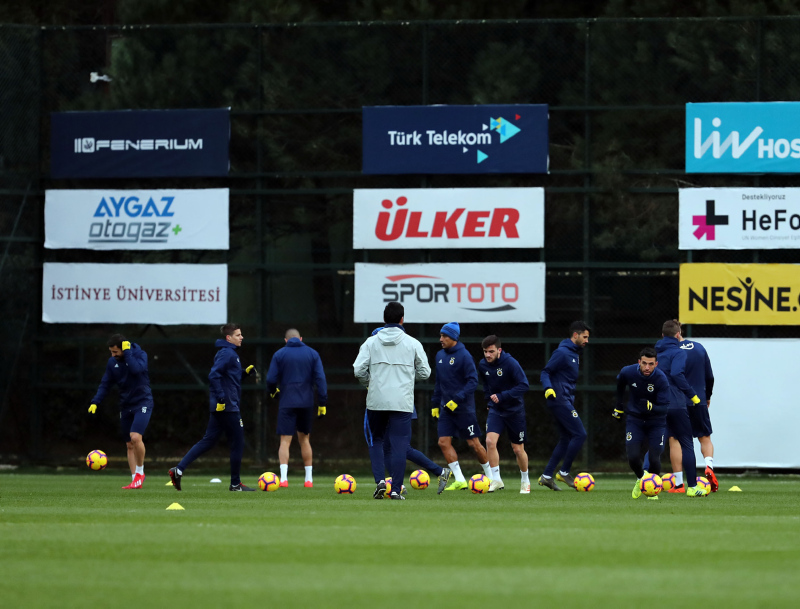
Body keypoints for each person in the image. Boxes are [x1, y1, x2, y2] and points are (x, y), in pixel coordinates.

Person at [353, 302, 430, 500]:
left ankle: (380, 481)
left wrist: (370, 383)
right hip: (402, 402)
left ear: (384, 319)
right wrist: (406, 380)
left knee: (376, 441)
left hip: (376, 401)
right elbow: (425, 372)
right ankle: (395, 489)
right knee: (399, 445)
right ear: (402, 319)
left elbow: (358, 370)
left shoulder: (370, 342)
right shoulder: (413, 343)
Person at [169, 323, 258, 491]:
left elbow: (230, 379)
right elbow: (214, 375)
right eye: (238, 335)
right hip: (227, 406)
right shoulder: (227, 353)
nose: (242, 337)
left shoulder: (229, 353)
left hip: (223, 405)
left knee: (208, 441)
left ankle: (178, 470)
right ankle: (235, 484)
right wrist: (221, 398)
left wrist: (245, 373)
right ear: (228, 338)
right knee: (238, 442)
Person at [369, 326, 451, 494]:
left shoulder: (391, 355)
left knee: (400, 447)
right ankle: (402, 482)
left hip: (398, 406)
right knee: (390, 447)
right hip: (398, 404)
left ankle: (438, 472)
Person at [89, 334, 154, 490]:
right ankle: (135, 480)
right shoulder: (112, 363)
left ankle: (140, 473)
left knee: (136, 437)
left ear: (124, 348)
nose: (113, 355)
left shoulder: (140, 354)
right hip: (125, 405)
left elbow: (136, 370)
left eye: (115, 352)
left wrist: (128, 353)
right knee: (129, 444)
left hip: (143, 402)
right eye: (111, 352)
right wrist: (95, 401)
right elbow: (105, 384)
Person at [432, 322, 492, 492]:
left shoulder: (464, 356)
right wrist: (435, 403)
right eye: (441, 335)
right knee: (443, 442)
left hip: (463, 409)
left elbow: (473, 381)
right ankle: (460, 480)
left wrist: (457, 400)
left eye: (444, 336)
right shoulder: (439, 355)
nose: (441, 339)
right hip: (446, 409)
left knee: (473, 444)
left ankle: (492, 477)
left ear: (454, 337)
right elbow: (439, 382)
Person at [266, 328, 328, 488]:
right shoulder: (313, 354)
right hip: (306, 402)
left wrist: (273, 392)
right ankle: (308, 480)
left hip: (287, 401)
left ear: (285, 340)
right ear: (301, 339)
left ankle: (283, 479)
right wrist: (322, 403)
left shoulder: (279, 354)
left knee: (285, 441)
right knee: (305, 439)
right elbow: (321, 379)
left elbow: (270, 379)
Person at [654, 319, 707, 497]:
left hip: (657, 404)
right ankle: (692, 487)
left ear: (662, 335)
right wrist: (692, 395)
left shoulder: (655, 352)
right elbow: (677, 374)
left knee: (656, 443)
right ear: (678, 335)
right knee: (686, 443)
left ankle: (644, 480)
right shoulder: (678, 352)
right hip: (676, 403)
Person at [538, 321, 590, 491]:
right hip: (559, 399)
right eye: (585, 337)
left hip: (565, 399)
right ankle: (564, 472)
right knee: (580, 434)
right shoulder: (562, 353)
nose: (587, 340)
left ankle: (547, 476)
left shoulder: (574, 353)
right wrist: (548, 388)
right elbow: (545, 372)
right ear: (575, 335)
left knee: (566, 438)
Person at [614, 347, 670, 500]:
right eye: (644, 363)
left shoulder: (661, 379)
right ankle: (641, 479)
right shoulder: (628, 372)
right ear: (639, 362)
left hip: (656, 422)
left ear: (656, 364)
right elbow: (620, 385)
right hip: (635, 419)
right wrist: (618, 406)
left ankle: (653, 491)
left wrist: (652, 407)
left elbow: (665, 408)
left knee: (654, 458)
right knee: (632, 457)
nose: (647, 367)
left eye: (651, 364)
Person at [478, 335, 531, 494]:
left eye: (491, 351)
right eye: (485, 352)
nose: (488, 355)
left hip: (514, 410)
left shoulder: (510, 363)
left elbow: (524, 385)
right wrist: (489, 401)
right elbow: (486, 385)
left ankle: (525, 480)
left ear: (499, 350)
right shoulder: (483, 365)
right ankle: (496, 479)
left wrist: (503, 396)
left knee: (517, 449)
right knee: (490, 441)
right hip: (496, 409)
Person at [681, 337, 717, 491]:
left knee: (678, 440)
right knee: (704, 437)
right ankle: (709, 466)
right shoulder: (699, 348)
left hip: (679, 401)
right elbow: (709, 376)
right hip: (699, 399)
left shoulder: (670, 350)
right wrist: (707, 396)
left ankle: (678, 482)